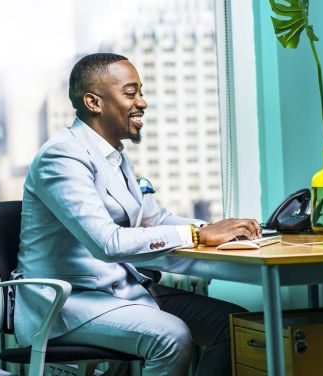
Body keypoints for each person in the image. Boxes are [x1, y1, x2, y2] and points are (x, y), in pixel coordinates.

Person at [14, 53, 262, 375]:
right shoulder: (62, 156)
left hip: (123, 293)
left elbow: (153, 219)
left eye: (140, 93)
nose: (142, 102)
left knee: (231, 326)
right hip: (69, 305)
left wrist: (215, 228)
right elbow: (108, 243)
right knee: (171, 336)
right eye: (131, 93)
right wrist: (198, 235)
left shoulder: (114, 155)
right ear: (94, 102)